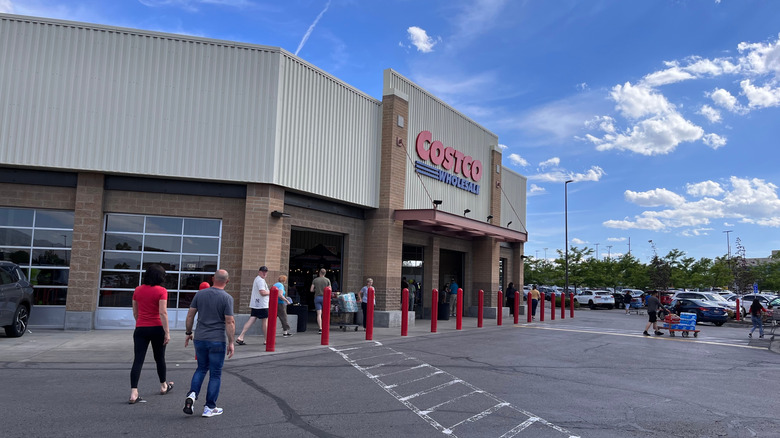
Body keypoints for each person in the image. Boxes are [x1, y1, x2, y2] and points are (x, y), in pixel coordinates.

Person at [183, 269, 235, 417]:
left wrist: (188, 333)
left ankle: (192, 395)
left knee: (201, 368)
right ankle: (209, 407)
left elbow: (190, 315)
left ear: (213, 279)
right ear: (227, 281)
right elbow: (229, 321)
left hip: (200, 338)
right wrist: (231, 342)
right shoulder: (227, 298)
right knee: (215, 374)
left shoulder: (200, 295)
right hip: (217, 339)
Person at [129, 264, 174, 404]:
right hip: (157, 328)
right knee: (159, 358)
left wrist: (141, 322)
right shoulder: (161, 291)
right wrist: (167, 332)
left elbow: (135, 312)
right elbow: (163, 312)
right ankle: (163, 385)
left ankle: (134, 392)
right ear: (160, 276)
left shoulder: (137, 290)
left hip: (141, 328)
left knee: (138, 360)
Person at [235, 266, 270, 345]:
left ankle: (241, 336)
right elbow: (262, 292)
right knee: (265, 321)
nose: (264, 273)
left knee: (252, 319)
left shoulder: (257, 279)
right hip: (262, 304)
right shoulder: (260, 280)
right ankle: (267, 340)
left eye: (266, 272)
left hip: (255, 304)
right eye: (263, 271)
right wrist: (272, 292)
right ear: (259, 272)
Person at [310, 268, 331, 334]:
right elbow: (330, 289)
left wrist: (316, 290)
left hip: (317, 297)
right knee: (325, 313)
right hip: (325, 298)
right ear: (325, 273)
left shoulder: (315, 280)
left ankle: (320, 328)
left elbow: (311, 290)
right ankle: (325, 327)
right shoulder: (327, 280)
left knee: (319, 314)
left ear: (319, 273)